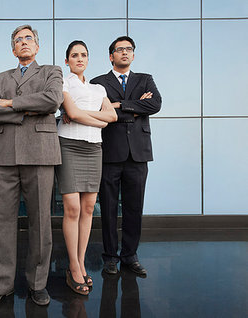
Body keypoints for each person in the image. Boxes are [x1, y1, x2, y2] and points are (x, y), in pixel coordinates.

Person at [0, 25, 63, 308]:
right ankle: (1, 284)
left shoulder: (51, 72)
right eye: (18, 40)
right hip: (4, 156)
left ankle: (38, 284)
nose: (23, 42)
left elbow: (52, 100)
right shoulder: (1, 77)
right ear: (13, 49)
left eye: (28, 39)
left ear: (36, 47)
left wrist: (12, 103)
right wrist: (27, 109)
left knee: (40, 222)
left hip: (40, 153)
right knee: (2, 223)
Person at [90, 36, 161, 276]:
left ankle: (130, 255)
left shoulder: (145, 79)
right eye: (120, 50)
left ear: (133, 54)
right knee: (108, 208)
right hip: (109, 152)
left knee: (134, 208)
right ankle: (110, 256)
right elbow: (98, 112)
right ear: (111, 56)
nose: (125, 53)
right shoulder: (98, 83)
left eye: (129, 49)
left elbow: (155, 105)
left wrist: (118, 105)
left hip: (138, 154)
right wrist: (135, 107)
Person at [56, 40, 117, 295]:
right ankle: (72, 264)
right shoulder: (63, 82)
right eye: (74, 55)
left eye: (83, 55)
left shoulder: (99, 87)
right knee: (72, 208)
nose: (79, 59)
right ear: (67, 60)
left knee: (89, 207)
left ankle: (80, 262)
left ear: (88, 59)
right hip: (69, 145)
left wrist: (84, 115)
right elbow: (71, 111)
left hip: (94, 148)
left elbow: (112, 117)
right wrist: (95, 118)